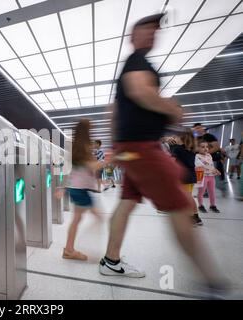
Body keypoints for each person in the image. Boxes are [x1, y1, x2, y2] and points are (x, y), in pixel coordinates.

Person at [99, 13, 225, 295]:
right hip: (142, 148)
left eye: (155, 31)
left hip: (132, 147)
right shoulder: (137, 62)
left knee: (127, 202)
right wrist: (172, 108)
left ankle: (111, 259)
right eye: (145, 30)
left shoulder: (135, 65)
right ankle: (212, 281)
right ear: (132, 36)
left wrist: (115, 147)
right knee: (180, 205)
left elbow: (114, 111)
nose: (151, 34)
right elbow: (141, 92)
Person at [62, 119, 105, 261]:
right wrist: (111, 160)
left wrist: (63, 187)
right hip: (80, 190)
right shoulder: (83, 146)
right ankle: (72, 249)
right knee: (98, 217)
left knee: (77, 219)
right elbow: (92, 166)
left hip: (76, 188)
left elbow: (71, 169)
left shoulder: (75, 145)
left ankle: (69, 250)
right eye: (90, 128)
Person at [171, 130, 203, 226]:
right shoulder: (192, 149)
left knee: (186, 198)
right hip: (191, 176)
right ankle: (196, 217)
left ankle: (190, 219)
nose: (174, 138)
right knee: (189, 197)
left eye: (175, 137)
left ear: (181, 138)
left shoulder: (177, 149)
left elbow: (172, 162)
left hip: (183, 176)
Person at [193, 123, 227, 197]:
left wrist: (205, 153)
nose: (198, 129)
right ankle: (202, 193)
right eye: (196, 128)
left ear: (202, 128)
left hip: (212, 159)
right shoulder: (195, 139)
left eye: (199, 128)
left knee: (214, 177)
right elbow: (194, 148)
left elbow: (216, 147)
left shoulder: (209, 136)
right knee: (200, 177)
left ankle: (222, 191)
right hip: (200, 161)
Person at [195, 141, 221, 213]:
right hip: (202, 176)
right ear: (198, 148)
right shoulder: (197, 156)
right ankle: (200, 205)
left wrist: (215, 170)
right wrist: (214, 170)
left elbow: (211, 165)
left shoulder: (209, 155)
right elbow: (203, 165)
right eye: (203, 147)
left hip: (211, 176)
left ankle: (212, 205)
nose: (205, 148)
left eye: (206, 147)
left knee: (212, 191)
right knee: (201, 192)